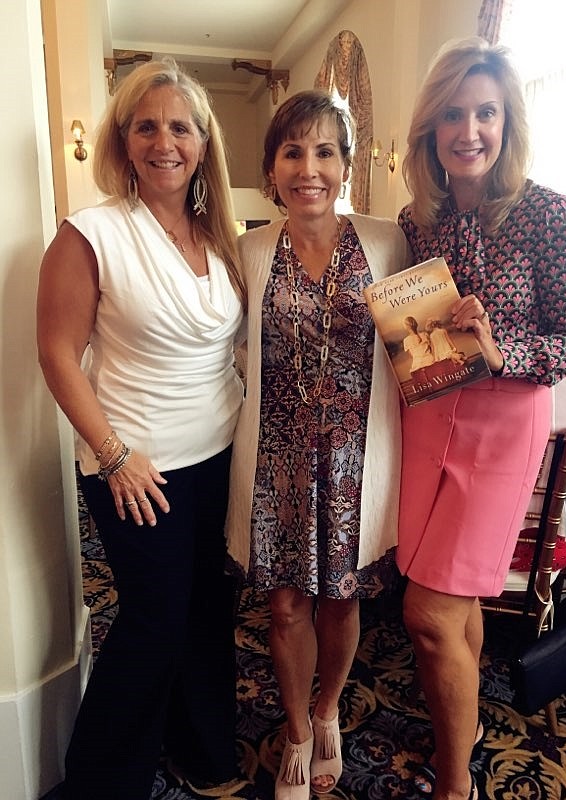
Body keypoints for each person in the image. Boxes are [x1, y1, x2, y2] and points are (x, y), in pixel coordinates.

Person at [396, 37, 566, 800]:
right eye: (452, 114)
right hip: (428, 420)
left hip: (503, 426)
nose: (469, 130)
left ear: (508, 120)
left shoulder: (552, 214)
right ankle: (470, 728)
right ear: (431, 130)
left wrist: (500, 344)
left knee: (426, 613)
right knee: (456, 602)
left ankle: (457, 786)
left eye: (484, 112)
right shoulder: (419, 222)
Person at [36, 58, 245, 800]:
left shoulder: (220, 236)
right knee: (153, 625)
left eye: (180, 127)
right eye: (145, 126)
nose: (165, 141)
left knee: (207, 610)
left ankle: (199, 747)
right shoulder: (91, 233)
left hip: (219, 457)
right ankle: (99, 783)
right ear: (122, 142)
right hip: (137, 463)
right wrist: (113, 453)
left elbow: (229, 348)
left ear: (202, 143)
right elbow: (56, 353)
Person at [225, 89, 411, 800]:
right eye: (292, 152)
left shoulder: (387, 241)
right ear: (272, 168)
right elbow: (219, 347)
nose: (309, 168)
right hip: (274, 463)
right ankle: (297, 732)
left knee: (340, 601)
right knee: (283, 608)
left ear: (347, 164)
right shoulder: (246, 249)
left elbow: (420, 337)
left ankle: (330, 709)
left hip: (355, 463)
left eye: (324, 152)